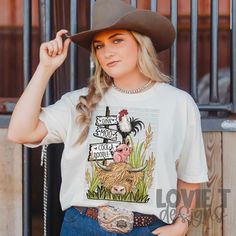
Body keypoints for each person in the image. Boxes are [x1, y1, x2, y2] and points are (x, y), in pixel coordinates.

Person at [8, 0, 208, 235]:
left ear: (140, 42)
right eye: (99, 46)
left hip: (149, 228)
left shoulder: (178, 103)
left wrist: (182, 224)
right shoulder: (78, 102)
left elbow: (190, 174)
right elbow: (19, 132)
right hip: (84, 226)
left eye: (117, 40)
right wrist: (45, 68)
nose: (107, 52)